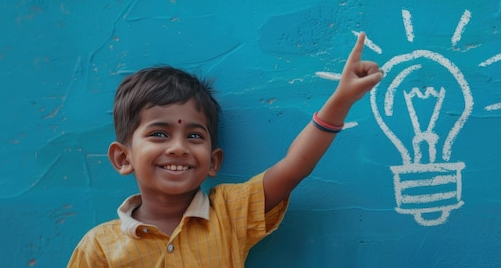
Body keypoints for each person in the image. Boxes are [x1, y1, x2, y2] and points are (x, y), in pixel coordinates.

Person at [67, 32, 383, 267]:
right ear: (123, 158)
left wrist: (340, 101)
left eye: (194, 136)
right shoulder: (99, 247)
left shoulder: (229, 214)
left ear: (214, 161)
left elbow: (294, 166)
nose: (178, 148)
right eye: (160, 133)